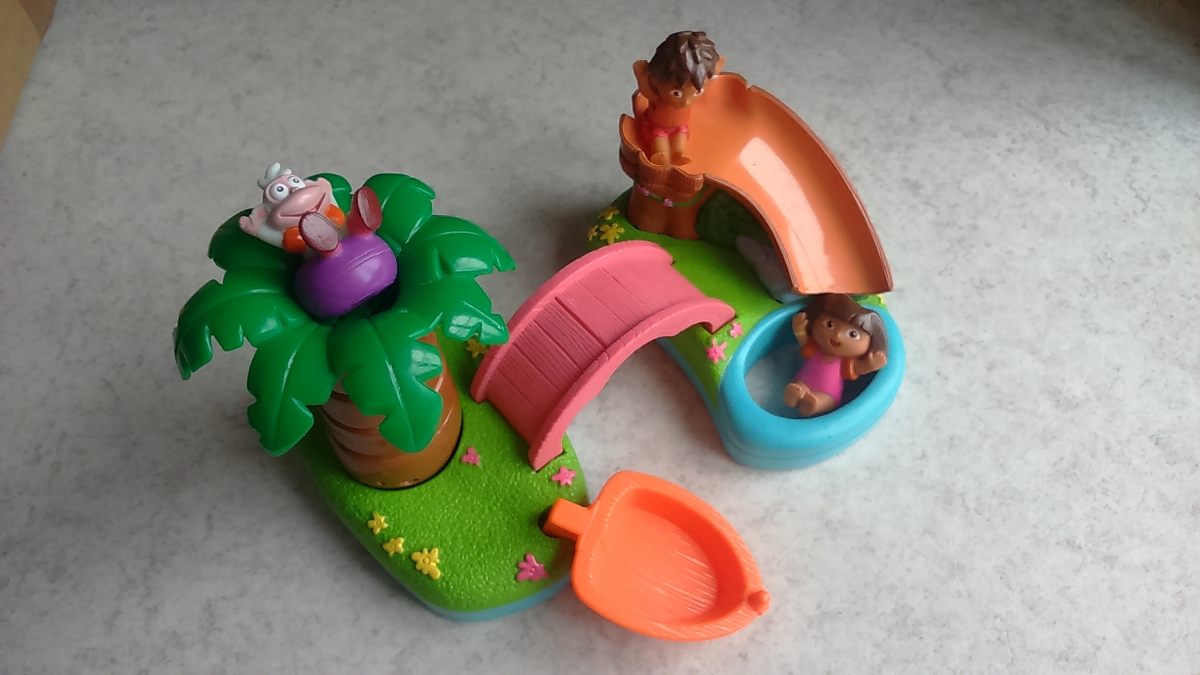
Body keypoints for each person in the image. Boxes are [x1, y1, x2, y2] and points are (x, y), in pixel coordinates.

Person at [784, 294, 888, 417]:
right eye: (830, 324)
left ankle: (813, 405)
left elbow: (857, 369)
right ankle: (794, 395)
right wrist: (799, 330)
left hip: (828, 393)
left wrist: (871, 365)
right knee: (798, 387)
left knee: (822, 400)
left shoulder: (845, 362)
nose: (837, 335)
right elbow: (804, 342)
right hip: (804, 381)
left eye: (852, 334)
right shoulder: (816, 348)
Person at [632, 31, 724, 166]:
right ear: (655, 80)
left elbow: (711, 78)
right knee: (658, 138)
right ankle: (660, 155)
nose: (686, 102)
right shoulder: (659, 98)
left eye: (697, 92)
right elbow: (647, 92)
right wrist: (641, 77)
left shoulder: (704, 80)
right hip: (658, 126)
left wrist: (715, 69)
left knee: (681, 134)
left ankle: (678, 153)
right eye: (676, 93)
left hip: (680, 126)